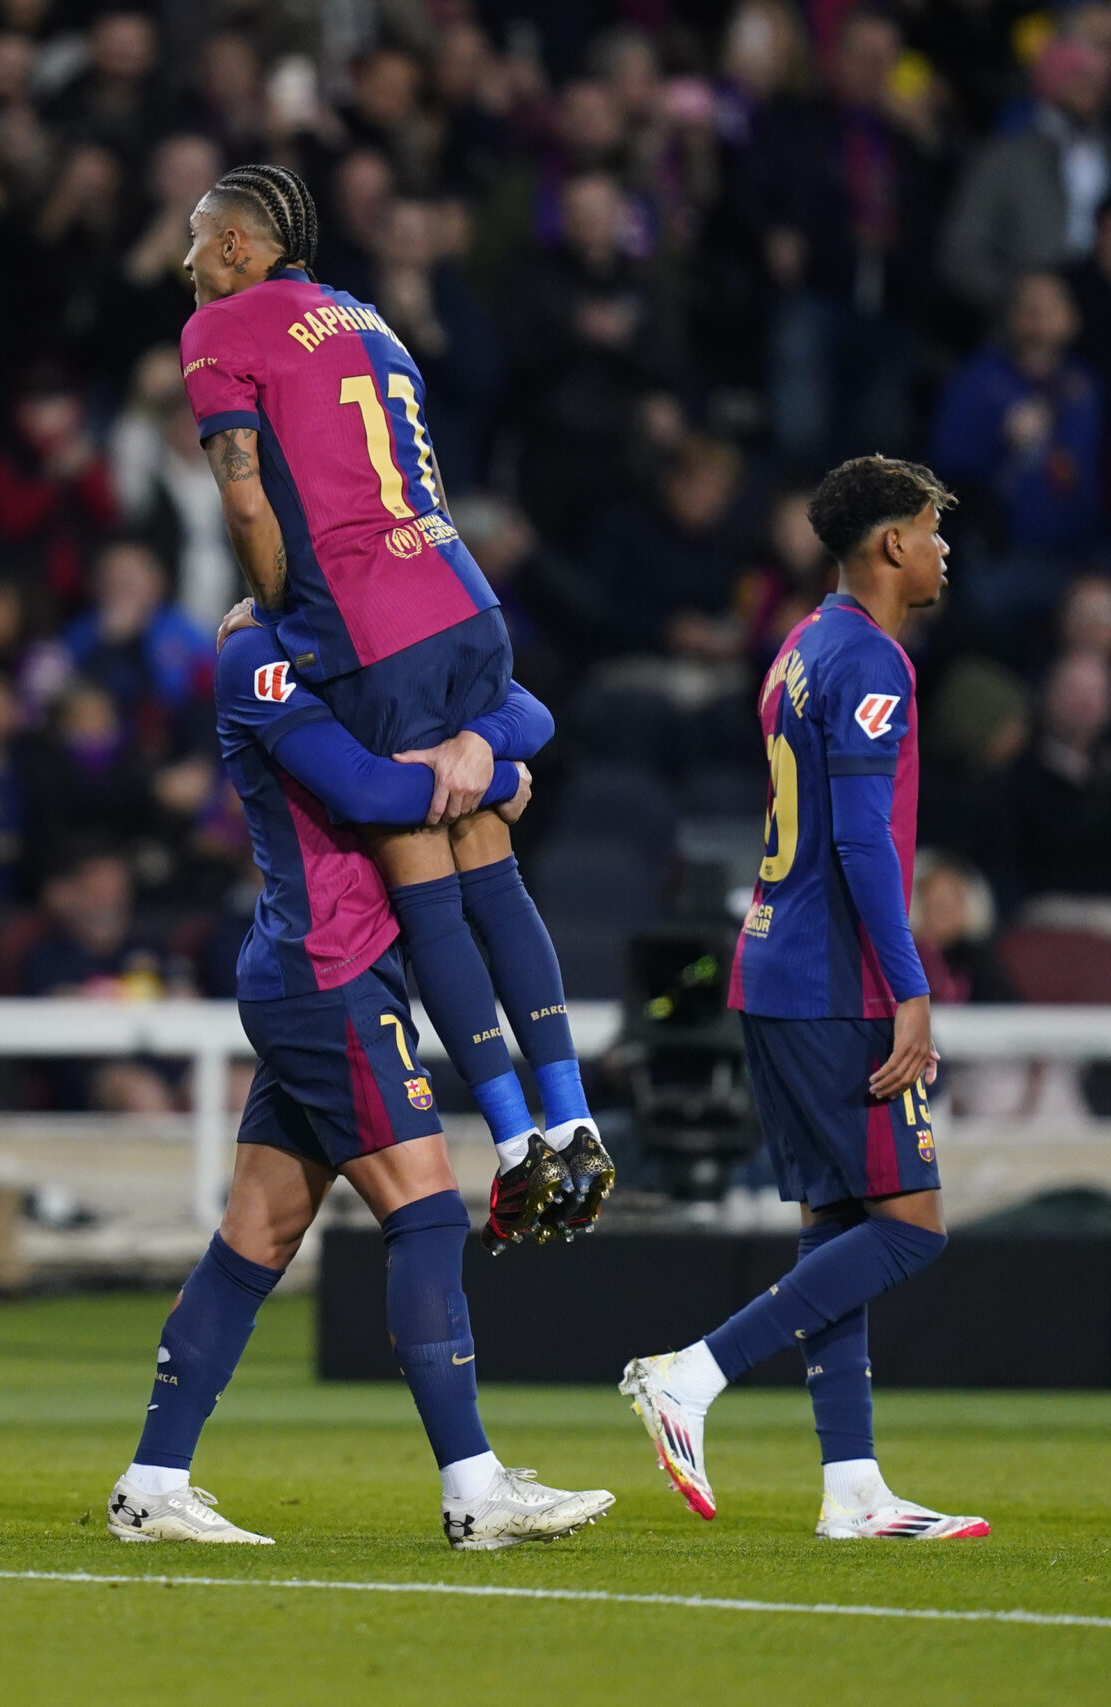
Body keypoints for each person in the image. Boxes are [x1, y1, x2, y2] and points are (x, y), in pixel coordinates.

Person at [107, 603, 612, 1550]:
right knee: (424, 1211)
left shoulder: (367, 632)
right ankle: (473, 1487)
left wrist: (479, 741)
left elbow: (532, 710)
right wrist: (495, 773)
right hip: (325, 972)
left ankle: (153, 1480)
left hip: (338, 969)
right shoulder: (257, 653)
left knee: (256, 1234)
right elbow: (370, 792)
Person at [180, 162, 612, 1249]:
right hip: (463, 595)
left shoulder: (221, 326)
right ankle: (573, 1115)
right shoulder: (366, 317)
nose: (183, 260)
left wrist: (276, 614)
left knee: (419, 860)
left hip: (372, 618)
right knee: (487, 857)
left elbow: (244, 493)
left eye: (195, 238)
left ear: (238, 248)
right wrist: (497, 759)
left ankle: (513, 1141)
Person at [622, 456, 988, 1542]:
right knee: (911, 1228)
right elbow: (863, 840)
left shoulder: (794, 650)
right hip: (838, 981)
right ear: (887, 545)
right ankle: (691, 1375)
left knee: (836, 1223)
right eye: (929, 529)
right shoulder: (872, 662)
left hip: (772, 965)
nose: (940, 547)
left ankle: (852, 1487)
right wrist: (910, 988)